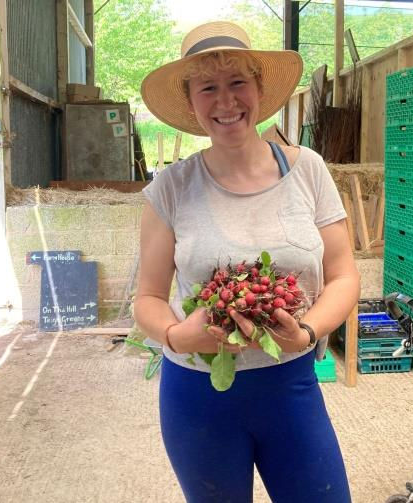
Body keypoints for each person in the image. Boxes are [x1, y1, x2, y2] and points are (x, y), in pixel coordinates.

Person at [135, 20, 360, 503]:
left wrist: (306, 330)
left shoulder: (308, 170)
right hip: (199, 395)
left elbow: (344, 277)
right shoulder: (171, 188)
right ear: (191, 102)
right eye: (208, 87)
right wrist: (177, 334)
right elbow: (148, 298)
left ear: (259, 89)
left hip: (289, 383)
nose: (226, 101)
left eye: (238, 82)